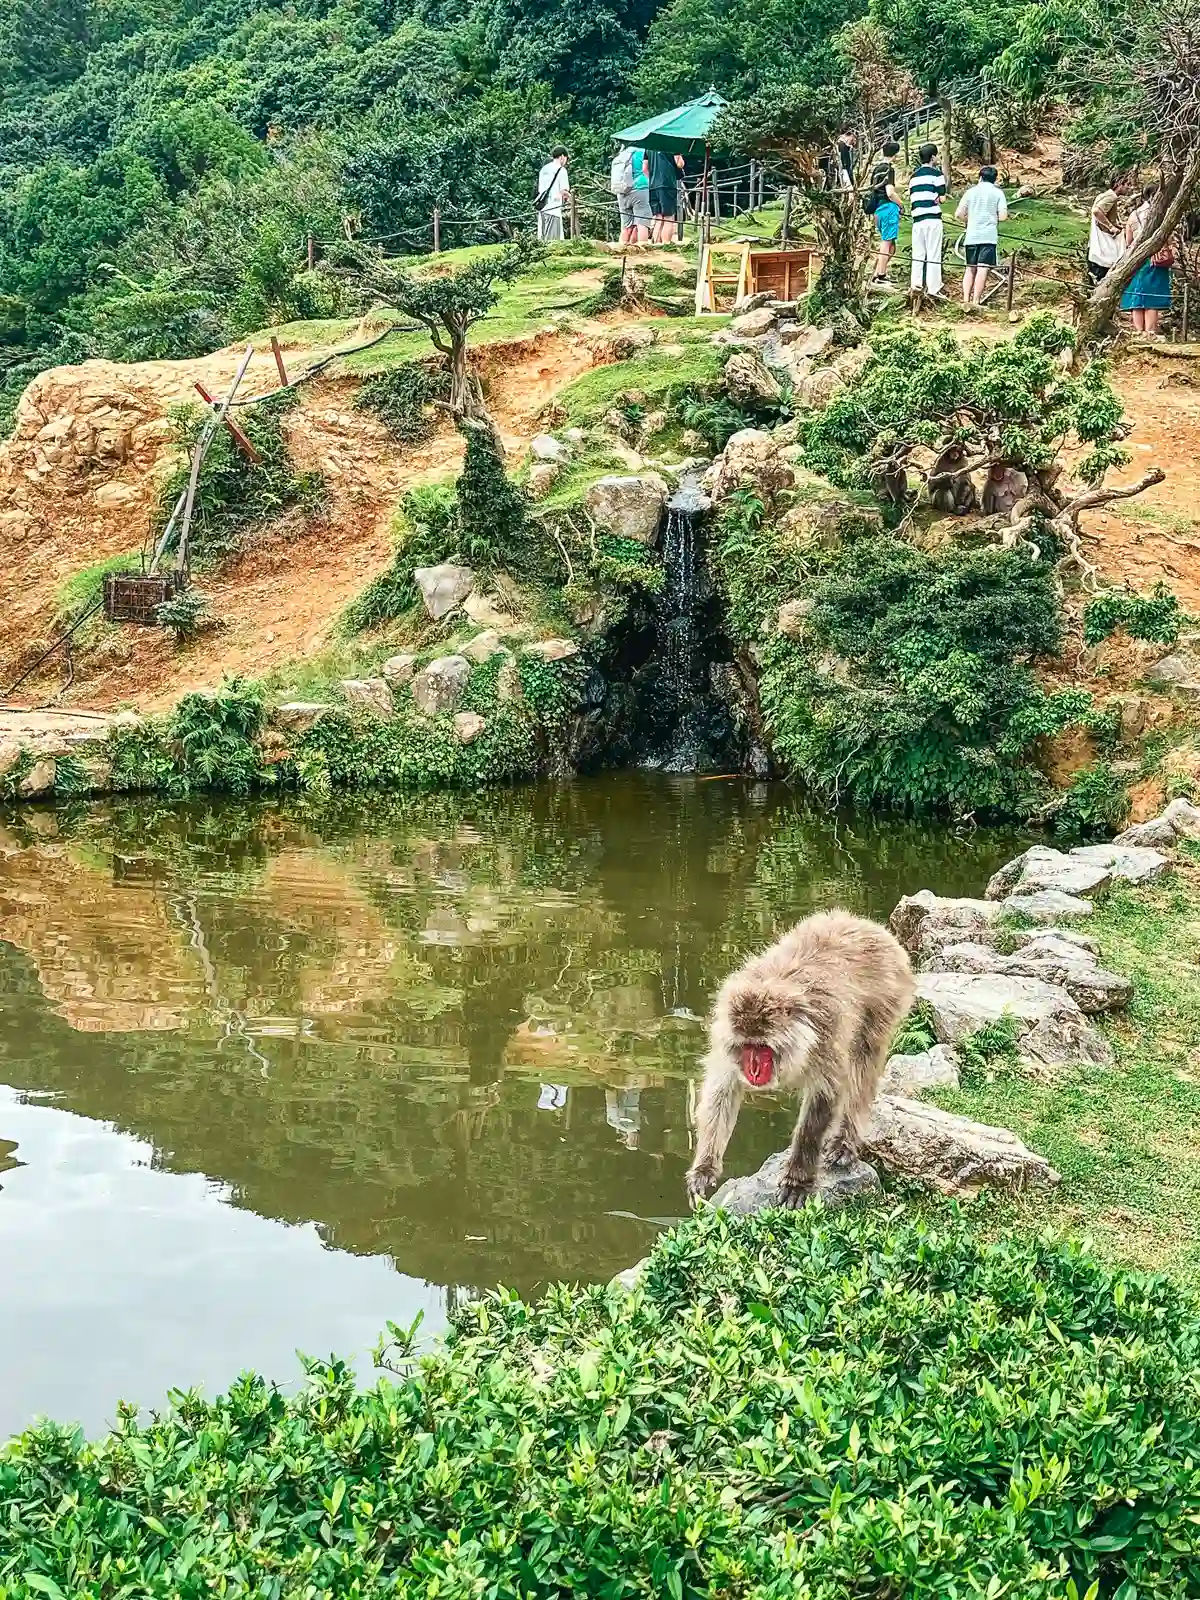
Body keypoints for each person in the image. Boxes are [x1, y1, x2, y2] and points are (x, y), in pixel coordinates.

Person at [1121, 183, 1173, 337]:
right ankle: (1150, 332)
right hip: (1155, 258)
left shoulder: (1134, 215)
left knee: (1138, 293)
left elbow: (1128, 240)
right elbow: (1167, 237)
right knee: (1153, 296)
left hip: (1136, 258)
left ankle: (1138, 332)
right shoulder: (1160, 214)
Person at [955, 163, 1007, 308]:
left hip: (971, 235)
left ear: (980, 178)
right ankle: (976, 301)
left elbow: (958, 214)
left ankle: (965, 300)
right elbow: (1003, 216)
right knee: (982, 268)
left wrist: (969, 220)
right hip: (988, 236)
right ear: (995, 179)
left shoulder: (971, 192)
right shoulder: (998, 193)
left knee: (970, 268)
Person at [909, 141, 948, 297]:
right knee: (933, 253)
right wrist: (938, 198)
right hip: (932, 218)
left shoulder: (913, 176)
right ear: (933, 157)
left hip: (917, 220)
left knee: (918, 254)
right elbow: (943, 198)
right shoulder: (937, 175)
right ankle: (934, 288)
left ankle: (916, 285)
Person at [867, 142, 903, 287]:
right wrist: (901, 205)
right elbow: (890, 192)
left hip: (877, 210)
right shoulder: (889, 169)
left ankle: (876, 273)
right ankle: (881, 275)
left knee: (892, 246)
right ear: (896, 154)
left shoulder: (876, 169)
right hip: (888, 208)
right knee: (886, 242)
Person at [1087, 174, 1130, 285]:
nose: (1129, 188)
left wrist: (1116, 225)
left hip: (1096, 247)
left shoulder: (1103, 195)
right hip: (1104, 248)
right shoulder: (1112, 197)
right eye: (1127, 184)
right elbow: (1096, 211)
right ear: (1119, 184)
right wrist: (1111, 227)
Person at [649, 148, 685, 242]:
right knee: (668, 217)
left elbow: (645, 168)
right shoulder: (671, 143)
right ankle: (665, 244)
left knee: (658, 217)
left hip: (653, 185)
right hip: (667, 183)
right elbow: (680, 164)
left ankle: (656, 244)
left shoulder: (648, 146)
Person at [536, 146, 570, 241]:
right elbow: (564, 191)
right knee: (553, 240)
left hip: (542, 207)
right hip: (554, 209)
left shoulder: (544, 169)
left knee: (542, 238)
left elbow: (540, 188)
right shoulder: (561, 170)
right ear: (562, 156)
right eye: (566, 158)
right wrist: (572, 199)